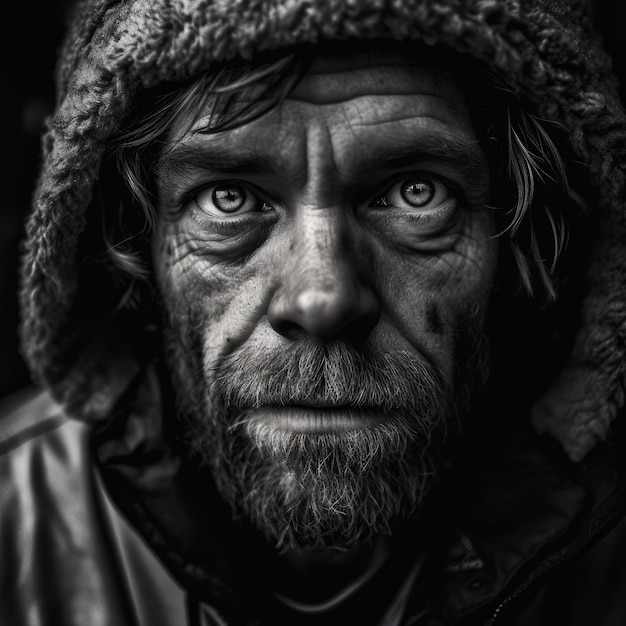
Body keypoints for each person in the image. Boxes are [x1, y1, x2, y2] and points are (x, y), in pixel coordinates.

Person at [2, 0, 626, 624]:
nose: (322, 298)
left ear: (520, 246)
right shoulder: (14, 520)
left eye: (416, 192)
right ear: (140, 245)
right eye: (230, 198)